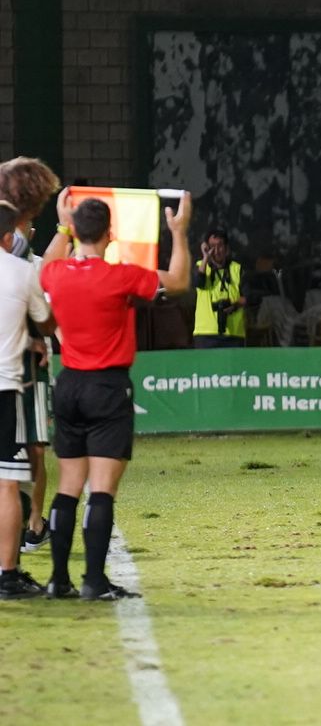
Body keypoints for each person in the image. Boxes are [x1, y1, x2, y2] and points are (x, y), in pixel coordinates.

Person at [40, 188, 193, 599]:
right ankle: (93, 580)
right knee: (102, 490)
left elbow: (46, 264)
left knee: (68, 487)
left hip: (69, 383)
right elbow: (179, 281)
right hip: (107, 387)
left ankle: (57, 580)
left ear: (75, 231)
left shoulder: (56, 273)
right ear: (110, 234)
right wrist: (179, 231)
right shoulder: (120, 276)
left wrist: (62, 227)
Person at [0, 156, 62, 555]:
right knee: (11, 473)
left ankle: (33, 522)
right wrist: (67, 227)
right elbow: (45, 317)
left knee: (28, 455)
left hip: (24, 363)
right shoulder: (19, 256)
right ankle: (12, 561)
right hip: (14, 372)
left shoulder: (24, 253)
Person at [192, 227, 247, 348]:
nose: (216, 251)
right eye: (212, 246)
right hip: (205, 335)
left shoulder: (237, 269)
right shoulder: (201, 266)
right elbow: (198, 282)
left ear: (226, 248)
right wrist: (205, 257)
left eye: (220, 246)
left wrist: (235, 304)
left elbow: (249, 298)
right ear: (207, 248)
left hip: (233, 335)